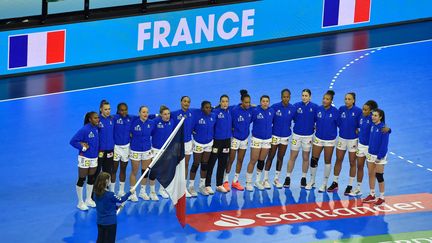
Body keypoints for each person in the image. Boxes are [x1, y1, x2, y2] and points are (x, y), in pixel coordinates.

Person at [327, 93, 362, 195]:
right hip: (342, 138)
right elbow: (337, 122)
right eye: (345, 99)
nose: (346, 101)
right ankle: (335, 182)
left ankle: (350, 186)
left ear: (353, 100)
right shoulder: (341, 109)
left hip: (353, 140)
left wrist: (359, 131)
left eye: (349, 99)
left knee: (352, 162)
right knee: (338, 160)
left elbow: (362, 124)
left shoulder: (358, 111)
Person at [305, 90, 339, 192]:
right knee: (314, 159)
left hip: (330, 140)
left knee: (327, 161)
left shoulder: (335, 112)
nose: (324, 100)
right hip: (318, 138)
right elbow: (313, 120)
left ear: (331, 101)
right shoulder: (318, 109)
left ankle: (324, 184)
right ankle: (312, 180)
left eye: (327, 99)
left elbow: (340, 124)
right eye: (324, 98)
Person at [284, 89, 318, 188]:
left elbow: (317, 120)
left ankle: (303, 178)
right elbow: (291, 117)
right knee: (292, 156)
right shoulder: (296, 106)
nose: (304, 97)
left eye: (306, 95)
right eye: (303, 95)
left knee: (306, 157)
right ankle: (287, 177)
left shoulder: (314, 107)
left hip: (308, 136)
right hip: (296, 135)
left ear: (310, 97)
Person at [264, 89, 296, 189]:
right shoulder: (275, 107)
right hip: (275, 136)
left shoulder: (293, 108)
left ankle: (276, 179)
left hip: (285, 136)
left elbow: (297, 120)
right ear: (281, 97)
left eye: (287, 97)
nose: (285, 99)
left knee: (280, 157)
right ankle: (265, 179)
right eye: (284, 97)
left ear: (290, 97)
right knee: (270, 156)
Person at [70, 111, 99, 210]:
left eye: (98, 118)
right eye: (95, 118)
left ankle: (88, 199)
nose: (97, 119)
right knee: (82, 179)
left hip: (94, 157)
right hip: (84, 157)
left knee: (91, 178)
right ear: (90, 119)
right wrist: (82, 148)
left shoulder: (96, 128)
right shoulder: (84, 129)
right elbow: (73, 141)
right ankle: (80, 202)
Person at [94, 172, 134, 243]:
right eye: (109, 179)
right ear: (106, 181)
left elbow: (105, 205)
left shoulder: (95, 193)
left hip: (100, 222)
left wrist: (117, 207)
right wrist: (130, 193)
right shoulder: (110, 195)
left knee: (100, 240)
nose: (110, 181)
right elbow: (121, 199)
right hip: (110, 223)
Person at [245, 95, 274, 191]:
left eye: (267, 101)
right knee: (253, 160)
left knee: (261, 161)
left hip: (267, 139)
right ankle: (248, 182)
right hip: (256, 139)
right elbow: (247, 121)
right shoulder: (255, 111)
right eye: (263, 101)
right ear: (260, 102)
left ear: (269, 102)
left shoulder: (271, 111)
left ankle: (257, 181)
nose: (265, 103)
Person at [224, 90, 252, 191]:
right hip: (235, 138)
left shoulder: (251, 110)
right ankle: (225, 181)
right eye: (245, 102)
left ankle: (235, 181)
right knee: (230, 160)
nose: (247, 104)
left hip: (244, 139)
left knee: (240, 160)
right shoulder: (234, 110)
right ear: (241, 101)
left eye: (249, 102)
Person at [349, 100, 378, 196]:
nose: (363, 111)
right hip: (361, 145)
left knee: (371, 171)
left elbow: (380, 128)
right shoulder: (361, 116)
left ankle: (372, 193)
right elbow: (358, 127)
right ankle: (358, 188)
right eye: (363, 109)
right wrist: (359, 132)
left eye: (366, 110)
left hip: (370, 147)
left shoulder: (373, 119)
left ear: (370, 111)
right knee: (359, 166)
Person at [205, 95, 232, 193]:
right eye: (223, 101)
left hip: (226, 142)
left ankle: (219, 184)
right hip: (217, 141)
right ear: (220, 102)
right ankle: (207, 185)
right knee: (211, 163)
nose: (225, 103)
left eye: (226, 101)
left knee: (223, 163)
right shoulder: (215, 112)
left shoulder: (230, 111)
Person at [362, 109, 389, 206]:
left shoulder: (383, 129)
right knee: (371, 174)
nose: (373, 117)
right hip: (371, 154)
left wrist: (380, 156)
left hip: (379, 156)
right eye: (372, 115)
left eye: (375, 115)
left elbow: (384, 145)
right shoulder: (373, 125)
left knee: (379, 176)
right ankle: (372, 194)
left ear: (380, 117)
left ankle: (382, 197)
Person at [129, 106, 156, 201]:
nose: (145, 114)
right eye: (143, 112)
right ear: (139, 113)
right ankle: (132, 193)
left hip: (147, 150)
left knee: (145, 172)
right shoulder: (133, 122)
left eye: (147, 112)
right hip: (135, 150)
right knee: (134, 172)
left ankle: (142, 192)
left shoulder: (151, 123)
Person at [189, 101, 216, 196]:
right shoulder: (197, 116)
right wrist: (192, 131)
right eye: (206, 107)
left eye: (209, 107)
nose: (208, 109)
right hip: (198, 143)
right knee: (196, 164)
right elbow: (190, 126)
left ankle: (201, 186)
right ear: (202, 108)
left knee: (204, 164)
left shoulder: (213, 116)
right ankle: (191, 186)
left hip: (209, 143)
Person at [172, 96, 195, 197]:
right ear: (181, 102)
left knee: (185, 164)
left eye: (188, 102)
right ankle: (174, 187)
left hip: (188, 142)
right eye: (184, 101)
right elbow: (161, 116)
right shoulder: (174, 114)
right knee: (176, 165)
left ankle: (183, 188)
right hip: (177, 143)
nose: (186, 103)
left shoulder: (193, 113)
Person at [151, 105, 174, 199]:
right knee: (154, 171)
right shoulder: (155, 121)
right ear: (160, 115)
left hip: (167, 150)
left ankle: (161, 190)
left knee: (164, 171)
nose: (167, 116)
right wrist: (155, 115)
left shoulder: (172, 122)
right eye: (165, 114)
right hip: (156, 149)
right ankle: (152, 192)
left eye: (168, 114)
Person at [112, 103, 134, 197]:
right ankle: (112, 191)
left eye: (125, 109)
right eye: (121, 110)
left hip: (126, 148)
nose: (124, 112)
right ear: (118, 110)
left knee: (123, 169)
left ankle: (121, 191)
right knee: (114, 170)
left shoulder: (131, 118)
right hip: (116, 148)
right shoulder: (114, 118)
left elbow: (144, 116)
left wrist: (158, 115)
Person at [97, 100, 115, 176]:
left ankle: (105, 187)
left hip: (110, 150)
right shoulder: (97, 120)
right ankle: (95, 187)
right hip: (99, 150)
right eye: (106, 109)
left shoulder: (112, 119)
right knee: (96, 171)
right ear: (101, 109)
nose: (108, 111)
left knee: (107, 172)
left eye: (109, 109)